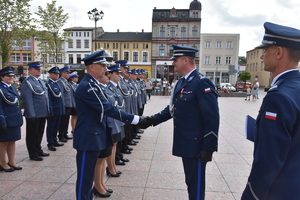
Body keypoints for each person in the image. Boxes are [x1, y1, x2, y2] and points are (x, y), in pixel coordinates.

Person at [139, 44, 220, 200]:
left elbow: (212, 117)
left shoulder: (202, 83)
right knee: (190, 181)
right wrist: (151, 120)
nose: (173, 63)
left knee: (196, 185)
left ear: (185, 60)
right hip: (185, 142)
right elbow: (173, 109)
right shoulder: (182, 83)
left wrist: (209, 147)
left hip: (197, 145)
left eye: (175, 60)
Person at [73, 50, 145, 200]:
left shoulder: (94, 84)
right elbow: (108, 108)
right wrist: (136, 119)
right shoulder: (88, 86)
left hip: (95, 135)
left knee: (88, 174)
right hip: (88, 138)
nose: (106, 69)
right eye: (102, 65)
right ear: (92, 67)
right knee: (85, 178)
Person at [241, 22, 300, 200]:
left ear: (279, 52)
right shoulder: (295, 87)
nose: (262, 57)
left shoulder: (279, 97)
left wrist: (250, 196)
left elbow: (268, 161)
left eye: (265, 50)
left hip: (277, 192)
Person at [21, 61, 50, 161]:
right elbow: (27, 100)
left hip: (42, 112)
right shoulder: (27, 82)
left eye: (39, 69)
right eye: (37, 69)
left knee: (40, 133)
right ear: (30, 70)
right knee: (32, 134)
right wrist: (31, 114)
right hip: (34, 114)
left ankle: (38, 149)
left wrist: (48, 110)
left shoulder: (40, 81)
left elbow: (45, 97)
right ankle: (33, 153)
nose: (39, 70)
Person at [0, 67, 23, 172]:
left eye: (12, 75)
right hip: (5, 119)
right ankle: (3, 163)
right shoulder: (1, 89)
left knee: (12, 141)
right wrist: (1, 120)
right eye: (8, 76)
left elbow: (16, 104)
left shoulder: (12, 88)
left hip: (14, 119)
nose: (11, 77)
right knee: (3, 142)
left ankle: (12, 161)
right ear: (2, 77)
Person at [45, 67, 65, 151]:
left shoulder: (57, 83)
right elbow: (48, 98)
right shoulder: (48, 84)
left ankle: (54, 140)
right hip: (53, 109)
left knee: (56, 126)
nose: (57, 75)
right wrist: (50, 109)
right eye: (55, 74)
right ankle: (50, 143)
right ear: (50, 74)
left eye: (57, 74)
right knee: (51, 127)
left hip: (59, 108)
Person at [57, 66, 74, 142]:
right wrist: (63, 104)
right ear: (62, 73)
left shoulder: (66, 82)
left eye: (68, 73)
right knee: (62, 121)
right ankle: (61, 135)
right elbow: (62, 95)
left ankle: (65, 133)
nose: (68, 74)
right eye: (67, 73)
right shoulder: (60, 82)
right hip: (64, 105)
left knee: (66, 120)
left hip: (68, 104)